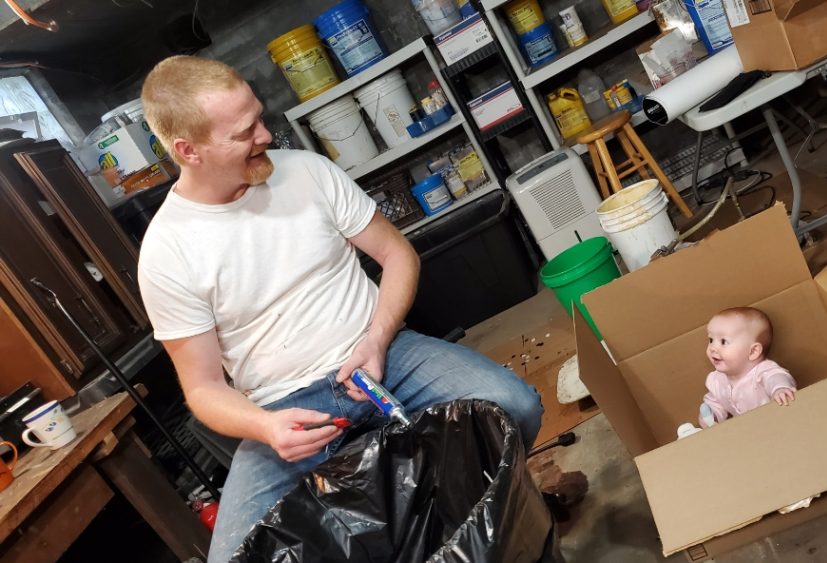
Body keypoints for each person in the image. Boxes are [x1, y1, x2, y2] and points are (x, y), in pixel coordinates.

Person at [136, 56, 543, 562]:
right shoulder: (167, 253)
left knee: (517, 406)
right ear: (187, 150)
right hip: (285, 408)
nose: (265, 135)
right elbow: (202, 388)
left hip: (384, 355)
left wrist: (376, 338)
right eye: (244, 132)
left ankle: (481, 529)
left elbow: (398, 255)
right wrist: (266, 428)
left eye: (260, 117)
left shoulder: (306, 172)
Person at [700, 307, 796, 427]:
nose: (713, 348)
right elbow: (716, 402)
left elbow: (775, 377)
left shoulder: (762, 371)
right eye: (711, 340)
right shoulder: (716, 379)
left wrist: (779, 389)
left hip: (778, 424)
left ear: (753, 351)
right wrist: (711, 415)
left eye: (723, 342)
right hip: (748, 432)